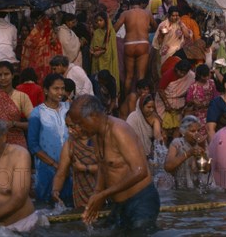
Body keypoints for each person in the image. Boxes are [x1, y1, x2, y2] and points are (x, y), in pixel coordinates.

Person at [69, 95, 160, 229]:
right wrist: (97, 193)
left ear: (93, 116)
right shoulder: (95, 134)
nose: (78, 128)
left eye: (80, 123)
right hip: (120, 203)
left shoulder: (119, 130)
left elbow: (141, 171)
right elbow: (103, 165)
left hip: (142, 200)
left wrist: (104, 194)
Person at [27, 74, 71, 204]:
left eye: (62, 89)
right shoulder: (37, 113)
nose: (60, 92)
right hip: (47, 167)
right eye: (55, 88)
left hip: (70, 167)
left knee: (69, 203)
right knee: (46, 205)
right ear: (46, 90)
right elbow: (33, 145)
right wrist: (55, 164)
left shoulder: (69, 108)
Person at [51, 114, 97, 209]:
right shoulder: (70, 144)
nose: (69, 130)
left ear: (83, 124)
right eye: (67, 126)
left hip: (104, 196)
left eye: (72, 126)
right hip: (81, 198)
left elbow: (109, 168)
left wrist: (84, 168)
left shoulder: (99, 140)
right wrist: (55, 190)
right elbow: (61, 173)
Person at [115, 0, 157, 91]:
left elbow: (115, 28)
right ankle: (140, 101)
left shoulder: (125, 13)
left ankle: (127, 100)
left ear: (130, 5)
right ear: (140, 4)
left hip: (129, 44)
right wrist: (146, 30)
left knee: (129, 76)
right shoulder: (147, 13)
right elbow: (155, 27)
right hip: (143, 43)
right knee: (141, 76)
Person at [155, 59, 196, 139]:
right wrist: (167, 104)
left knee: (178, 126)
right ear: (176, 69)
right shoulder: (168, 74)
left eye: (184, 73)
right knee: (164, 127)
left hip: (180, 103)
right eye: (180, 72)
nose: (181, 74)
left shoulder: (191, 75)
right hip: (165, 101)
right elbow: (160, 90)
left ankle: (175, 146)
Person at [164, 115, 207, 189]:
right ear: (183, 132)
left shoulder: (202, 143)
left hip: (198, 188)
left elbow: (205, 170)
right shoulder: (176, 143)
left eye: (198, 131)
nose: (197, 134)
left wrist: (202, 150)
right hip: (180, 188)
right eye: (193, 131)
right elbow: (168, 167)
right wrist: (188, 153)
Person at [20, 10, 63, 84]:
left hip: (41, 61)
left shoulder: (39, 29)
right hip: (46, 61)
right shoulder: (48, 29)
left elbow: (28, 43)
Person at [185, 64, 220, 137]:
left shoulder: (211, 83)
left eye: (208, 75)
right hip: (198, 115)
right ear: (199, 75)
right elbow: (188, 100)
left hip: (210, 112)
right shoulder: (193, 86)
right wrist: (193, 101)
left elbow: (216, 96)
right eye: (204, 76)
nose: (207, 78)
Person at [126, 93, 163, 159]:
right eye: (148, 107)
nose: (151, 110)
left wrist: (159, 139)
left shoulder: (154, 119)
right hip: (133, 153)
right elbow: (128, 137)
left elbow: (157, 134)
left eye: (153, 107)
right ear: (141, 107)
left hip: (148, 155)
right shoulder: (133, 117)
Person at [91, 11, 120, 94]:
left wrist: (101, 52)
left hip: (107, 60)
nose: (99, 23)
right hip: (97, 60)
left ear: (106, 21)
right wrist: (93, 52)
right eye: (97, 21)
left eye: (101, 20)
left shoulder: (110, 33)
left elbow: (111, 49)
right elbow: (92, 46)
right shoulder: (96, 32)